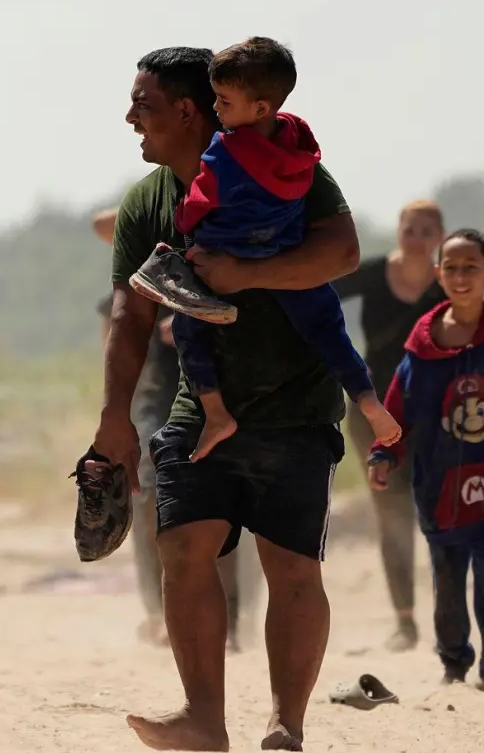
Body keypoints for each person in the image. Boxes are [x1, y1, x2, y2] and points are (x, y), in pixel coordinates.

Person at [86, 45, 360, 753]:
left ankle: (286, 721)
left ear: (185, 112)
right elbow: (130, 315)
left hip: (295, 400)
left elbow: (342, 253)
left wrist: (248, 272)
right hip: (199, 401)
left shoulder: (282, 164)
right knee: (182, 544)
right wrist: (114, 417)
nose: (129, 119)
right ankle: (204, 718)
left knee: (291, 562)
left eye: (142, 106)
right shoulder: (149, 201)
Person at [129, 37, 399, 463]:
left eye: (223, 101)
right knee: (330, 331)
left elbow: (202, 199)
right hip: (286, 249)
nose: (216, 111)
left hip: (224, 257)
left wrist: (186, 223)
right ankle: (368, 400)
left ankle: (216, 413)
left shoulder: (224, 151)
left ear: (257, 108)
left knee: (187, 323)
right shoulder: (298, 144)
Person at [369, 229, 484, 691]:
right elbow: (397, 405)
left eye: (472, 267)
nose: (461, 277)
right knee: (447, 580)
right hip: (438, 484)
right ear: (437, 273)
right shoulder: (422, 342)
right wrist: (385, 451)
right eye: (452, 268)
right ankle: (454, 660)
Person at [92, 208, 253, 651]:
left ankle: (230, 623)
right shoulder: (127, 289)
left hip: (212, 401)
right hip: (151, 406)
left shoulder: (207, 272)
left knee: (219, 511)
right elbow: (100, 223)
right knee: (145, 506)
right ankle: (158, 614)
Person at [334, 200, 448, 652]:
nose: (416, 234)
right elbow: (317, 296)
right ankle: (404, 621)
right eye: (409, 226)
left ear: (439, 235)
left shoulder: (449, 284)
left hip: (435, 414)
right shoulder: (375, 273)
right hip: (372, 408)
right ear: (399, 231)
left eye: (426, 228)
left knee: (440, 513)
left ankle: (449, 616)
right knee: (392, 514)